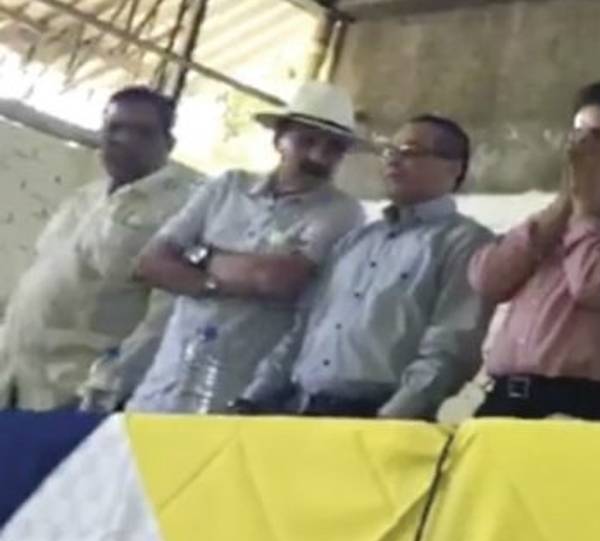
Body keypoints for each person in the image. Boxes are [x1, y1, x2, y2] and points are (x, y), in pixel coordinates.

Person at [232, 115, 494, 418]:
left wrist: (392, 420)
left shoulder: (465, 242)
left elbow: (451, 348)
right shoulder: (355, 242)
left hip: (377, 415)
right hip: (300, 408)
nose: (393, 160)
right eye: (389, 151)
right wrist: (253, 399)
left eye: (410, 151)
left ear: (453, 168)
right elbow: (302, 330)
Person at [125, 82, 366, 413]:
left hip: (242, 397)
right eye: (307, 141)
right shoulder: (228, 187)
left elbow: (278, 280)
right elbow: (149, 263)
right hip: (164, 384)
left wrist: (199, 259)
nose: (318, 156)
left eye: (334, 148)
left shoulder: (342, 212)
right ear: (279, 138)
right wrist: (213, 283)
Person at [469, 81, 600, 420]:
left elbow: (597, 286)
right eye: (577, 135)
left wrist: (587, 213)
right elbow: (487, 281)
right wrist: (563, 206)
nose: (581, 148)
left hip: (590, 403)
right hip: (507, 398)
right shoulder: (555, 218)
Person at [0, 87, 200, 412]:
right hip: (15, 377)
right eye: (114, 128)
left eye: (142, 132)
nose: (123, 139)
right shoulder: (85, 197)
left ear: (168, 143)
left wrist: (108, 385)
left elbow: (165, 318)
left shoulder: (184, 210)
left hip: (76, 393)